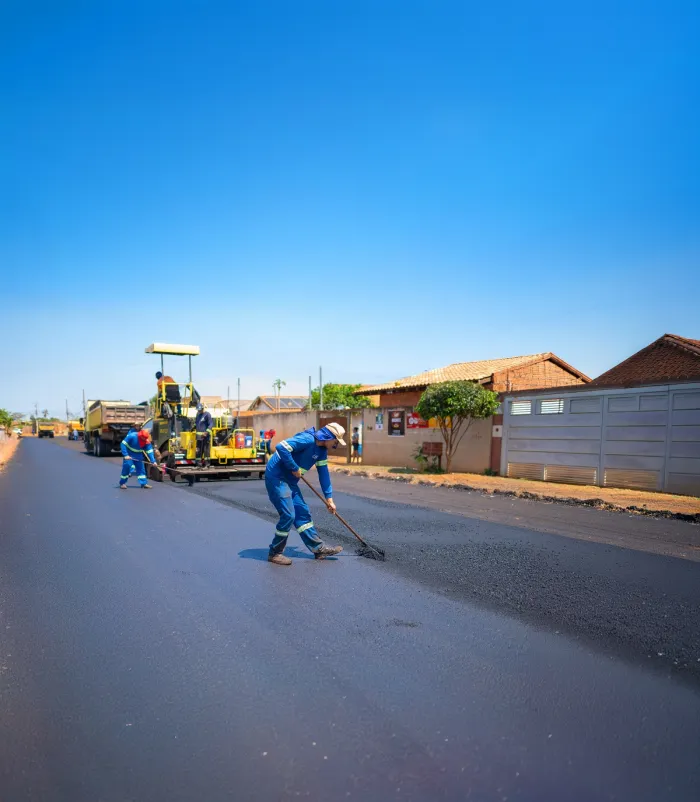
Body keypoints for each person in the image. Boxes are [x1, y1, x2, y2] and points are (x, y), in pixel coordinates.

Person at [265, 423, 346, 565]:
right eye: (335, 441)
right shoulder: (307, 440)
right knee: (289, 515)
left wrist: (329, 499)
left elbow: (324, 474)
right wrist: (294, 467)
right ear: (328, 437)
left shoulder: (321, 451)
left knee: (302, 513)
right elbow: (281, 447)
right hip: (277, 478)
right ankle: (275, 553)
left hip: (290, 481)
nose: (335, 444)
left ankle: (318, 548)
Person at [119, 425, 157, 489]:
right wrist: (126, 455)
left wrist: (153, 461)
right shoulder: (132, 436)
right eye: (143, 439)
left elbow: (149, 451)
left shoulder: (146, 441)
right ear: (140, 436)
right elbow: (123, 444)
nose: (144, 440)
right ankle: (122, 483)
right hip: (129, 454)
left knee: (141, 469)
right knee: (127, 467)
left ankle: (143, 483)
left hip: (138, 455)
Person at [195, 403, 213, 468]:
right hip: (199, 437)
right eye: (198, 410)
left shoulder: (207, 415)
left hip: (205, 437)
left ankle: (207, 465)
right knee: (198, 451)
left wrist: (206, 432)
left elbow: (210, 424)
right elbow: (197, 424)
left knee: (206, 451)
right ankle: (198, 465)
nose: (199, 411)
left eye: (200, 410)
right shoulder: (198, 415)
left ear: (202, 408)